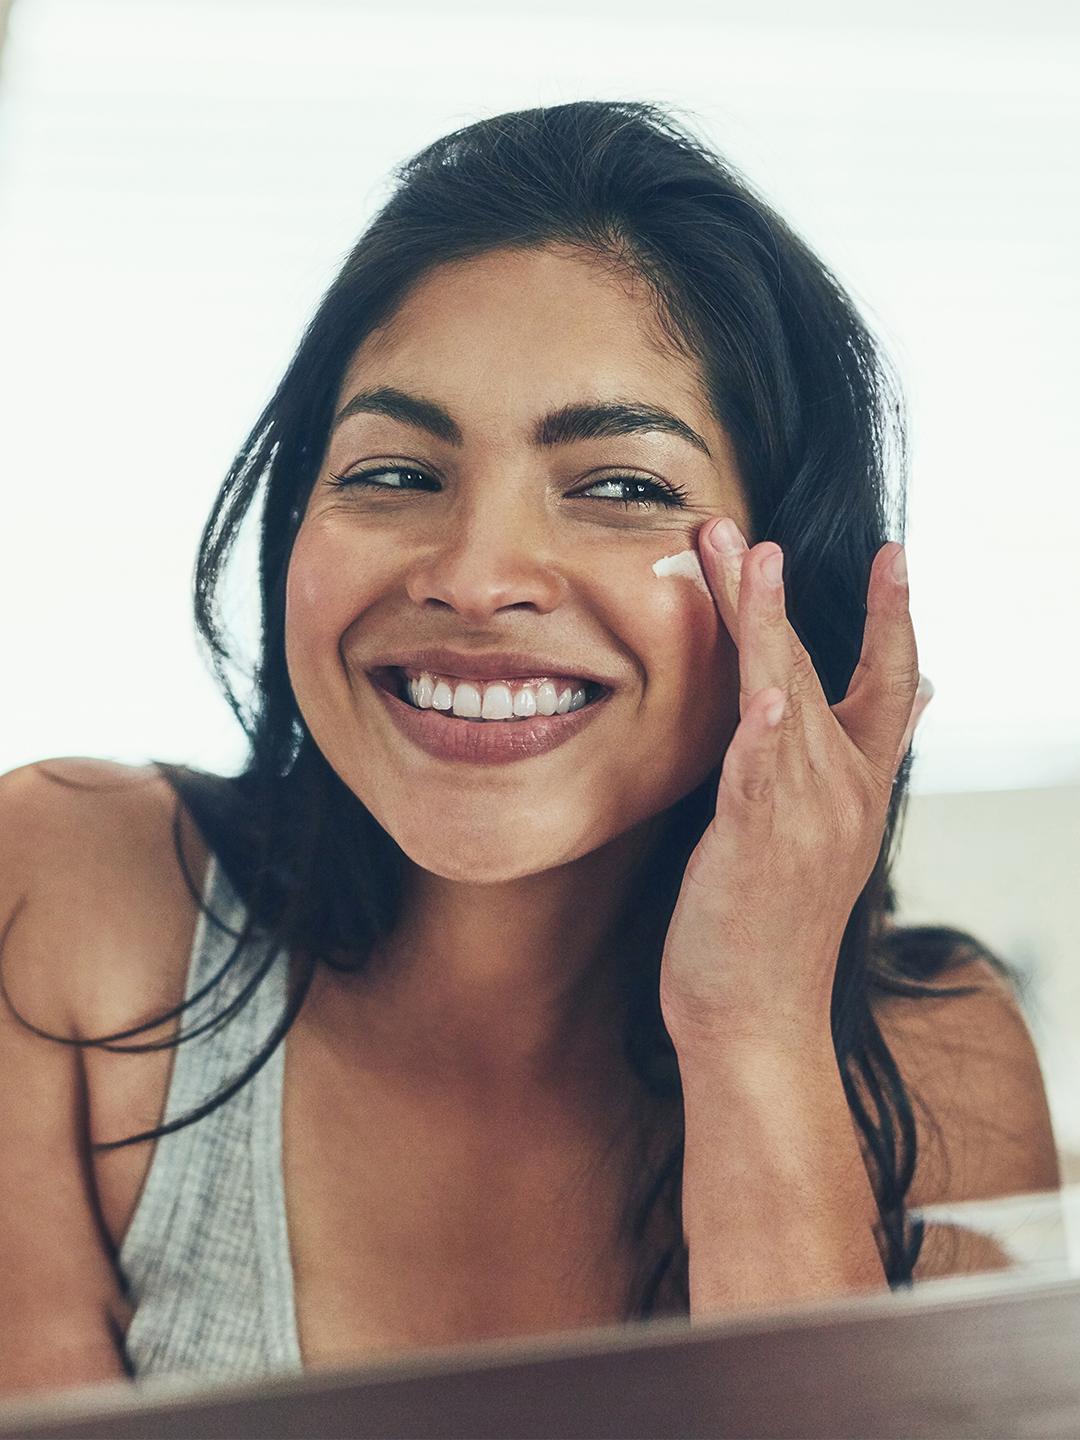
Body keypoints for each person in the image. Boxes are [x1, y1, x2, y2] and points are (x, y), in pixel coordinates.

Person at [0, 100, 1060, 1396]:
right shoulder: (68, 903)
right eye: (394, 473)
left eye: (622, 486)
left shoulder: (938, 1071)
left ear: (800, 578)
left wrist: (754, 1030)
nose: (477, 575)